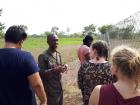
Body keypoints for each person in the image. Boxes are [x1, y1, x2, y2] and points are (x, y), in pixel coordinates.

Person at [0, 25, 47, 105]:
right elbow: (37, 85)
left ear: (5, 39)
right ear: (21, 42)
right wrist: (43, 101)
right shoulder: (26, 57)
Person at [78, 40, 114, 105]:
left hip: (88, 101)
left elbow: (80, 85)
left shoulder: (84, 66)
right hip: (107, 101)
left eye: (90, 50)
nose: (89, 52)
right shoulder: (112, 67)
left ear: (95, 51)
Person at [38, 34, 68, 105]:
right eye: (53, 40)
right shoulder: (43, 56)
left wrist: (64, 66)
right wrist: (54, 70)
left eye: (57, 40)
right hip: (50, 90)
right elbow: (40, 73)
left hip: (59, 88)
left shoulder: (58, 54)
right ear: (48, 42)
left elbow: (58, 68)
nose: (56, 42)